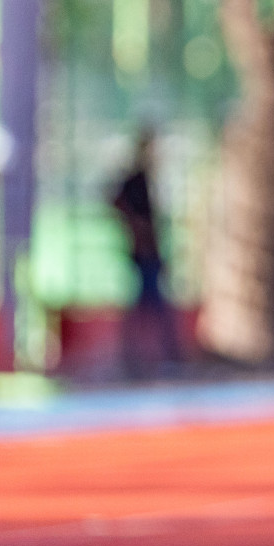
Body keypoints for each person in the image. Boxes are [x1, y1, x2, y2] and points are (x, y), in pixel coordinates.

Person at [110, 128, 183, 378]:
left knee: (148, 303)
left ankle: (141, 355)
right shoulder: (136, 180)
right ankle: (156, 355)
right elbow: (116, 202)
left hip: (148, 249)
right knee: (154, 304)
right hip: (143, 251)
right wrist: (136, 230)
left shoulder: (146, 180)